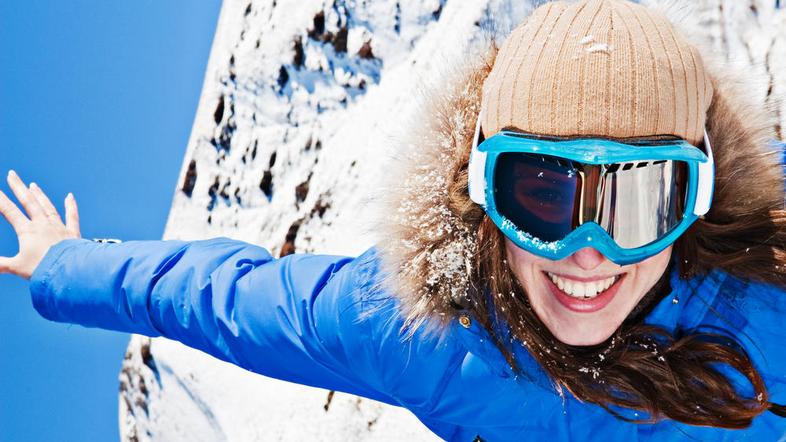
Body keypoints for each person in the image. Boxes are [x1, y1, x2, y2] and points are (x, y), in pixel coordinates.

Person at [1, 0, 785, 440]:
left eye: (640, 205)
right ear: (483, 189)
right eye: (541, 197)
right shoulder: (420, 332)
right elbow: (225, 297)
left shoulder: (767, 282)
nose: (588, 254)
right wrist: (67, 263)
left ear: (699, 201)